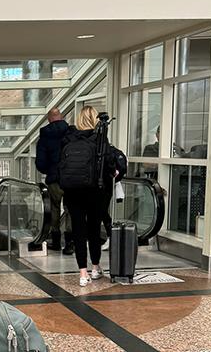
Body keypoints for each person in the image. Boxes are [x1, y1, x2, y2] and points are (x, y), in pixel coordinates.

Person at [60, 106, 116, 287]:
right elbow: (109, 165)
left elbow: (60, 165)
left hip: (72, 191)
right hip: (95, 192)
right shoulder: (100, 140)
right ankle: (95, 267)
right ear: (94, 119)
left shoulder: (68, 139)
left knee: (78, 230)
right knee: (93, 229)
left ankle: (82, 274)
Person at [35, 107, 74, 254]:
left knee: (54, 209)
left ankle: (56, 241)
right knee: (71, 210)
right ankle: (70, 243)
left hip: (54, 179)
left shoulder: (44, 137)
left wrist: (50, 170)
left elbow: (40, 163)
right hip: (70, 178)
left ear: (49, 119)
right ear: (61, 117)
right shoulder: (71, 133)